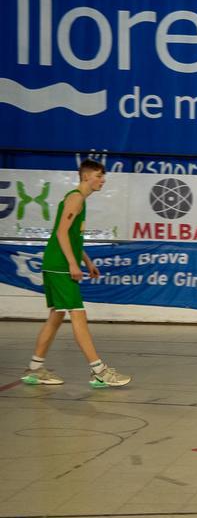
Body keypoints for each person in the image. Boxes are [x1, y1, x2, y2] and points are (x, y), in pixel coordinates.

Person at [21, 159, 131, 388]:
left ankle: (34, 369)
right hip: (59, 265)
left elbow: (72, 238)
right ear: (86, 177)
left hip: (56, 264)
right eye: (99, 176)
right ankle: (99, 371)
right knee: (78, 315)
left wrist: (87, 261)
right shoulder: (76, 199)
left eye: (103, 176)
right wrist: (72, 264)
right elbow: (61, 233)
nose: (103, 180)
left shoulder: (79, 200)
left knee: (56, 317)